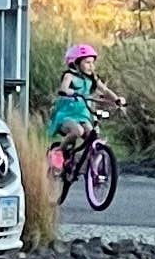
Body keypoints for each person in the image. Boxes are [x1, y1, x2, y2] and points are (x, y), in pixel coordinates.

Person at [46, 43, 123, 175]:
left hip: (83, 114)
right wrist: (69, 91)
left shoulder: (92, 79)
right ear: (75, 63)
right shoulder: (69, 76)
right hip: (67, 114)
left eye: (92, 63)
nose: (91, 66)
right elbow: (63, 88)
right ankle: (58, 152)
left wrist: (116, 99)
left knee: (91, 134)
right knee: (77, 131)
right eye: (87, 63)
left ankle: (92, 162)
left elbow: (104, 90)